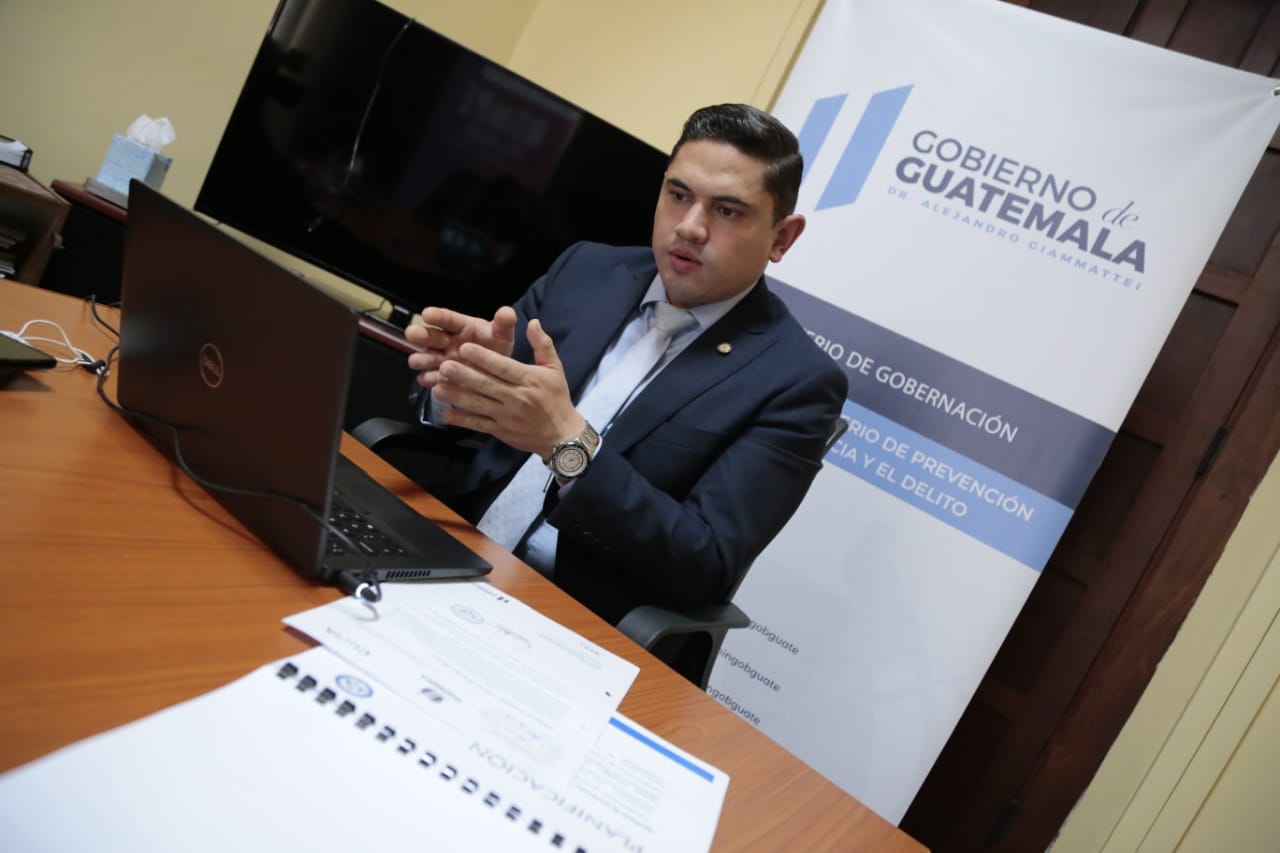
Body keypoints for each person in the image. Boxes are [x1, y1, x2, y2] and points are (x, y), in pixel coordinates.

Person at [405, 103, 848, 627]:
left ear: (782, 237)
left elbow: (705, 561)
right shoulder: (586, 269)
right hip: (450, 545)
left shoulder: (796, 381)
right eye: (678, 195)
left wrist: (568, 444)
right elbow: (450, 415)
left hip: (571, 617)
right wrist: (463, 384)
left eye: (727, 211)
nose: (690, 227)